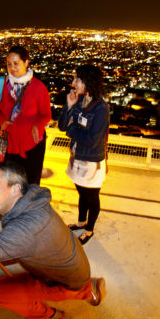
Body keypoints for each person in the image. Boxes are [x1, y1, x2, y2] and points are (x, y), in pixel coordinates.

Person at [0, 161, 106, 319]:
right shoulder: (29, 197)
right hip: (70, 266)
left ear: (15, 189)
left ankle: (49, 314)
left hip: (63, 281)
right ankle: (87, 287)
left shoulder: (25, 231)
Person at [58, 65, 109, 245]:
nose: (73, 83)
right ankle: (81, 221)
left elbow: (92, 140)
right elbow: (62, 126)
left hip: (92, 162)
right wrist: (69, 106)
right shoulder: (79, 101)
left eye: (77, 80)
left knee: (91, 196)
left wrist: (72, 128)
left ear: (88, 82)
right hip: (76, 157)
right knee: (82, 192)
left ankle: (89, 230)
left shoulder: (101, 108)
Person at [0, 46, 51, 185]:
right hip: (9, 143)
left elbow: (46, 114)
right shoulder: (1, 84)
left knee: (31, 183)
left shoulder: (38, 87)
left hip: (32, 144)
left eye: (16, 63)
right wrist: (3, 121)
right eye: (9, 64)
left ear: (26, 62)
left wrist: (38, 125)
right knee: (11, 184)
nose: (12, 68)